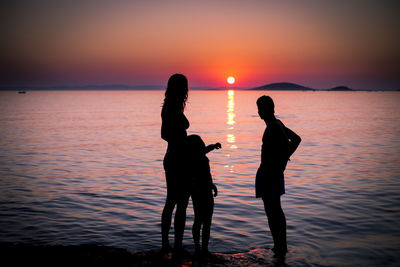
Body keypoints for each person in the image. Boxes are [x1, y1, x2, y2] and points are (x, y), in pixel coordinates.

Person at [255, 95, 301, 257]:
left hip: (270, 175)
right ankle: (280, 247)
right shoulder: (277, 124)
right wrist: (283, 160)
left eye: (260, 108)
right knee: (275, 210)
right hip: (272, 174)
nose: (259, 111)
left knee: (273, 211)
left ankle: (280, 247)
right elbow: (296, 139)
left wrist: (282, 162)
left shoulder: (274, 126)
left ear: (265, 110)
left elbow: (293, 141)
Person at [161, 74, 191, 255]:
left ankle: (176, 244)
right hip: (175, 158)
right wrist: (183, 143)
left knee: (179, 203)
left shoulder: (175, 106)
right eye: (185, 86)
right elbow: (164, 134)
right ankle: (168, 245)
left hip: (178, 158)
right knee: (174, 202)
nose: (187, 90)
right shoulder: (171, 107)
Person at [187, 134, 220, 256]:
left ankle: (201, 247)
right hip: (203, 192)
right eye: (201, 142)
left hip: (202, 191)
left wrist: (214, 146)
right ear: (196, 147)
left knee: (202, 220)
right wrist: (211, 186)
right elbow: (202, 177)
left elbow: (207, 149)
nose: (203, 143)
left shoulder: (198, 155)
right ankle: (201, 248)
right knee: (203, 220)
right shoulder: (197, 159)